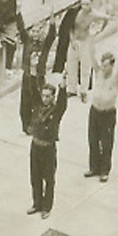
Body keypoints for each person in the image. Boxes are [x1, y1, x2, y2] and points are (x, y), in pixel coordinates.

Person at [26, 69, 68, 218]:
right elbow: (32, 91)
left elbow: (63, 103)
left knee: (49, 178)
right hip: (35, 146)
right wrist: (32, 71)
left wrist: (63, 83)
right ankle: (36, 203)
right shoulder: (37, 106)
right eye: (43, 96)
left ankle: (46, 207)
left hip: (48, 148)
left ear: (52, 97)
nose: (44, 99)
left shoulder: (56, 111)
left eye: (48, 96)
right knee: (35, 177)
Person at [86, 40, 118, 182]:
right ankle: (94, 167)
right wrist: (91, 46)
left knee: (106, 142)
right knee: (93, 140)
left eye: (106, 65)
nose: (103, 67)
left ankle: (104, 170)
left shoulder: (116, 78)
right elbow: (93, 60)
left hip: (107, 114)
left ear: (112, 66)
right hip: (95, 111)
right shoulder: (98, 73)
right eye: (102, 64)